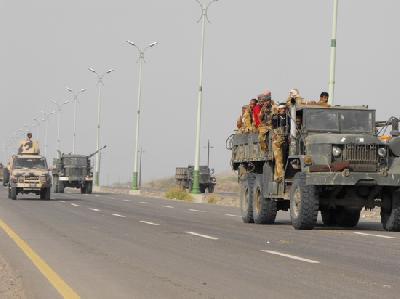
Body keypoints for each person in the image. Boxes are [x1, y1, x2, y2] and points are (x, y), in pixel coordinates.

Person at [272, 104, 288, 182]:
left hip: (285, 140)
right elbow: (274, 127)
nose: (283, 110)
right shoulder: (276, 117)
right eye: (282, 109)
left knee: (283, 159)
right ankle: (280, 176)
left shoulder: (288, 117)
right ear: (279, 110)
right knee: (279, 159)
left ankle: (277, 176)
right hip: (277, 141)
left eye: (284, 109)